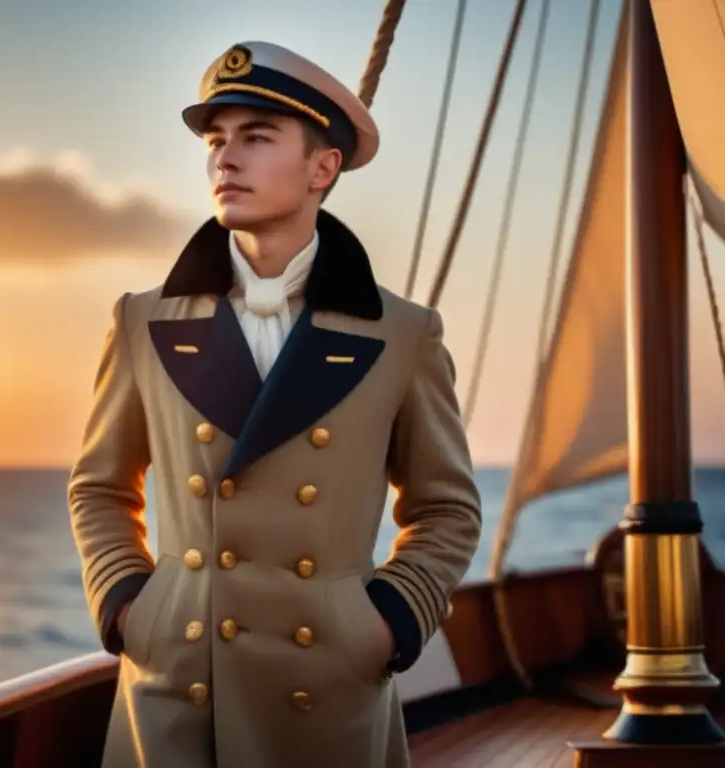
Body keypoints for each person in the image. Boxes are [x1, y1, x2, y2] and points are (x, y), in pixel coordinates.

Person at [67, 40, 482, 768]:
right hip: (175, 684)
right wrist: (130, 603)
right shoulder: (143, 321)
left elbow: (446, 508)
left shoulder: (403, 333)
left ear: (323, 168)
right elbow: (100, 487)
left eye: (256, 139)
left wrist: (386, 619)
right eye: (217, 141)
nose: (226, 160)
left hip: (328, 687)